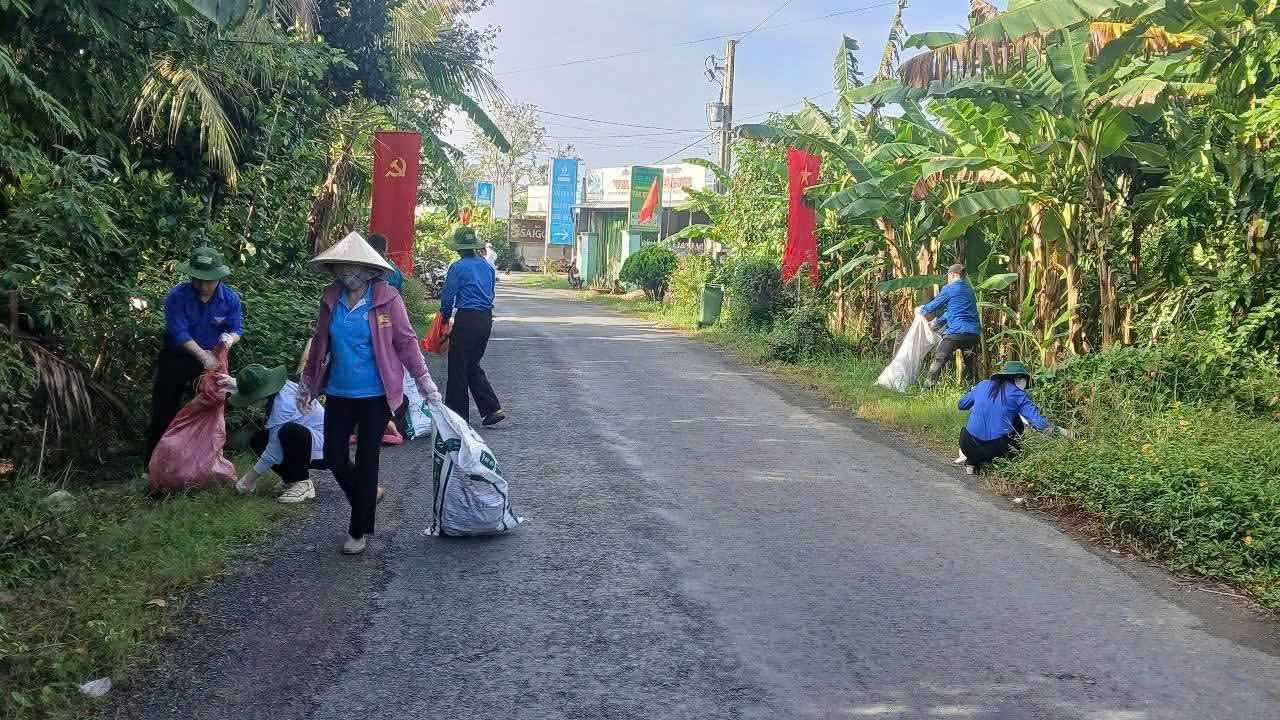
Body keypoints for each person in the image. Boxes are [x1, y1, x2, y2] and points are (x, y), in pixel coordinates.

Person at [300, 232, 443, 555]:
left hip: (377, 395)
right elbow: (320, 342)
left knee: (367, 458)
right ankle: (366, 497)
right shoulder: (331, 298)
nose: (345, 272)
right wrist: (308, 382)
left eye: (351, 266)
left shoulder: (387, 299)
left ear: (368, 269)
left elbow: (406, 342)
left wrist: (425, 382)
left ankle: (357, 530)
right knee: (334, 456)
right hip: (338, 391)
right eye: (340, 267)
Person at [146, 246, 243, 466]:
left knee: (209, 408)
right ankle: (152, 465)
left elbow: (237, 328)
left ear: (219, 277)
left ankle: (201, 463)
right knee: (164, 409)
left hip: (212, 361)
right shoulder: (177, 296)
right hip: (177, 358)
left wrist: (229, 339)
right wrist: (202, 356)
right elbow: (179, 333)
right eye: (198, 279)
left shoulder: (230, 299)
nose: (203, 285)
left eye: (208, 280)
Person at [217, 363, 327, 503]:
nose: (249, 404)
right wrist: (236, 384)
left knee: (289, 432)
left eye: (250, 399)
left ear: (262, 395)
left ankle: (302, 482)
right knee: (259, 439)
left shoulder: (284, 406)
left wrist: (247, 480)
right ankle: (291, 479)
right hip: (311, 443)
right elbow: (260, 384)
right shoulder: (281, 387)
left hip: (327, 450)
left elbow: (273, 452)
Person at [956, 361, 1072, 475]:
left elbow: (961, 405)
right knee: (1017, 423)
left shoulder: (982, 385)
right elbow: (1038, 424)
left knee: (970, 427)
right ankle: (1003, 463)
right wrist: (1064, 433)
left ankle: (971, 462)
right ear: (1018, 379)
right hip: (997, 448)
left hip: (968, 444)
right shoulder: (1019, 395)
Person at [441, 227, 504, 426]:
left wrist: (444, 318)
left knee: (458, 367)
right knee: (471, 363)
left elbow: (448, 297)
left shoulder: (457, 267)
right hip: (485, 319)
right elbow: (491, 292)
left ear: (459, 248)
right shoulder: (486, 266)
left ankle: (457, 418)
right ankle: (492, 408)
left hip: (467, 318)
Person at [364, 233, 408, 446]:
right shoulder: (394, 271)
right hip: (389, 328)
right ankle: (390, 420)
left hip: (371, 327)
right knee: (388, 370)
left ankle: (378, 422)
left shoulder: (365, 269)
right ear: (385, 249)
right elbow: (400, 300)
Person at [917, 263, 981, 387]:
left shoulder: (950, 288)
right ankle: (972, 390)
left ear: (952, 274)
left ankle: (928, 388)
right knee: (970, 364)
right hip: (972, 334)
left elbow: (936, 304)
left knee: (940, 358)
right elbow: (954, 311)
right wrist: (936, 322)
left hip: (956, 333)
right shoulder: (969, 290)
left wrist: (921, 310)